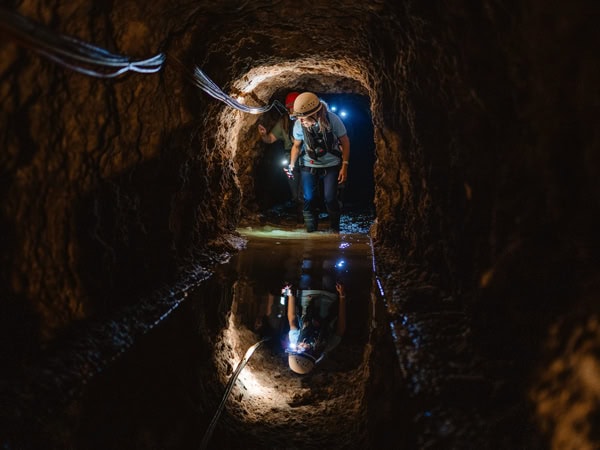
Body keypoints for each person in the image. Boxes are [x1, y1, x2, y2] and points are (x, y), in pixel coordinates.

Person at [288, 92, 350, 233]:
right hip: (309, 164)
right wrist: (292, 163)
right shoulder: (299, 125)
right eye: (299, 118)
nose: (301, 121)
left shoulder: (333, 120)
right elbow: (296, 146)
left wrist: (344, 165)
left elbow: (345, 142)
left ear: (315, 114)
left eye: (303, 118)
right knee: (309, 198)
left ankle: (335, 230)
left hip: (331, 164)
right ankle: (311, 231)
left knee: (330, 198)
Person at [285, 281, 347, 375]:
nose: (298, 345)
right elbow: (340, 328)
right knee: (328, 270)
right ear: (310, 353)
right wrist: (342, 297)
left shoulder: (295, 340)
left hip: (307, 293)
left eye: (295, 348)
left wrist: (291, 294)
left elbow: (292, 319)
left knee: (306, 269)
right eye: (300, 349)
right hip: (329, 295)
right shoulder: (327, 345)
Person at [258, 92, 303, 218]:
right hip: (289, 161)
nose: (290, 109)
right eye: (288, 106)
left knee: (305, 192)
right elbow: (270, 139)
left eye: (292, 106)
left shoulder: (307, 118)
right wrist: (263, 135)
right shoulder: (284, 122)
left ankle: (308, 219)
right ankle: (301, 217)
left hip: (306, 159)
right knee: (295, 193)